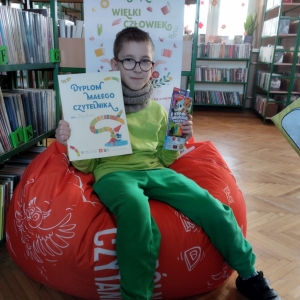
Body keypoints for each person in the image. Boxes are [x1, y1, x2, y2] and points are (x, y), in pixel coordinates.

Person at [55, 27, 280, 300]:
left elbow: (163, 159)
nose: (137, 68)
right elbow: (87, 166)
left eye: (145, 61)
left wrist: (178, 140)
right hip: (114, 174)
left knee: (210, 204)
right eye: (129, 60)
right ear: (114, 64)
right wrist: (72, 140)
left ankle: (249, 274)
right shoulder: (96, 105)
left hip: (156, 170)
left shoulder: (159, 110)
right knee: (137, 214)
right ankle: (136, 295)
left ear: (153, 66)